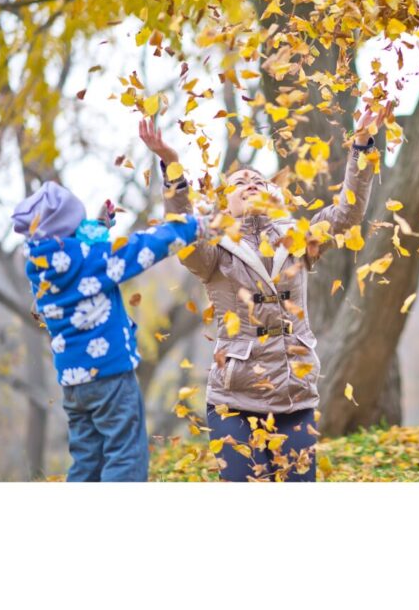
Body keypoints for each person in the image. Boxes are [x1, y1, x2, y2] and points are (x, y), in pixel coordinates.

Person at [138, 107, 382, 481]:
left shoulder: (298, 238)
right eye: (239, 182)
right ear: (225, 203)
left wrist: (362, 145)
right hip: (233, 401)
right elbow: (180, 232)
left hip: (294, 396)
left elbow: (348, 216)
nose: (251, 182)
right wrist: (171, 165)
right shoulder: (212, 250)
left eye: (258, 180)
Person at [12, 182, 214, 481]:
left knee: (87, 461)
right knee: (126, 454)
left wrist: (97, 227)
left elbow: (75, 252)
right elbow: (142, 248)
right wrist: (194, 226)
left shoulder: (41, 265)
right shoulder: (92, 262)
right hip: (110, 378)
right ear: (68, 228)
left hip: (74, 385)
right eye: (77, 222)